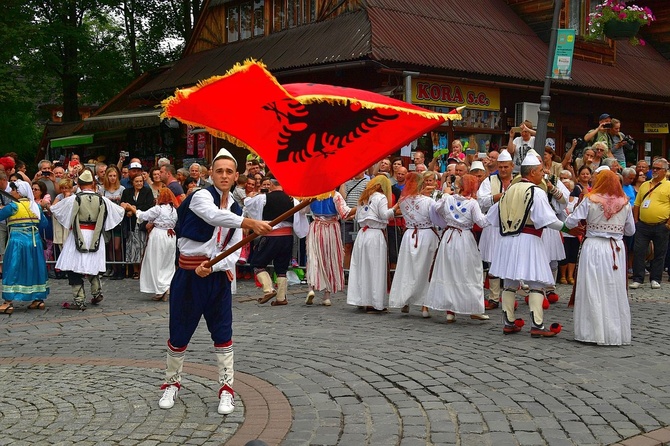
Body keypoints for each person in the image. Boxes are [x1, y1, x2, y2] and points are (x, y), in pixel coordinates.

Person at [157, 148, 272, 414]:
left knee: (223, 332)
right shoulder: (200, 197)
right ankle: (171, 384)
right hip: (188, 277)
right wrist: (250, 222)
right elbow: (212, 217)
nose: (223, 175)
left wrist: (215, 265)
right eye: (218, 171)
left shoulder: (235, 206)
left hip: (217, 278)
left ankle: (226, 390)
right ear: (211, 173)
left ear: (236, 176)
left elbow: (234, 249)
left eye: (228, 172)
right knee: (179, 331)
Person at [488, 151, 577, 337]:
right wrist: (569, 229)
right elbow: (547, 219)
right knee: (536, 282)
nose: (542, 175)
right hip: (529, 239)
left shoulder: (508, 191)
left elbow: (491, 218)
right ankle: (537, 326)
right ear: (533, 172)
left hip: (506, 241)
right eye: (540, 172)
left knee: (510, 282)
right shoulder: (535, 191)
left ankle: (508, 322)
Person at [564, 170, 634, 345]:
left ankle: (591, 333)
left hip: (594, 246)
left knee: (592, 286)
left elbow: (570, 222)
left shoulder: (590, 199)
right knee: (613, 288)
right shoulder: (625, 203)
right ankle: (614, 333)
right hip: (615, 250)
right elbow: (631, 231)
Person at [51, 170, 125, 310]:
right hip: (95, 235)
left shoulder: (74, 198)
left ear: (78, 184)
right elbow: (119, 212)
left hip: (78, 234)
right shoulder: (102, 199)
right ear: (92, 183)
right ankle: (97, 292)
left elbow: (56, 210)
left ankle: (79, 300)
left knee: (72, 266)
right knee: (92, 263)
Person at [425, 174, 490, 322]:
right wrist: (493, 215)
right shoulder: (472, 203)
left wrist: (448, 219)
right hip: (465, 239)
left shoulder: (448, 198)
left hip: (449, 238)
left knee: (449, 272)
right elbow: (481, 222)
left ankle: (450, 311)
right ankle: (474, 308)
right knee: (470, 272)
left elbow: (436, 208)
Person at [246, 178, 306, 306]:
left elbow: (248, 204)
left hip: (271, 236)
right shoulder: (293, 200)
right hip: (287, 237)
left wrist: (250, 196)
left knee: (257, 264)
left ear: (272, 185)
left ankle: (268, 289)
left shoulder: (264, 198)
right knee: (281, 267)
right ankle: (281, 297)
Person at [388, 173, 440, 317]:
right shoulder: (428, 201)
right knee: (426, 269)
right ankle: (425, 306)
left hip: (409, 235)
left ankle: (405, 301)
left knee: (408, 268)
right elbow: (436, 219)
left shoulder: (403, 201)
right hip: (426, 235)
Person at [346, 175, 398, 313]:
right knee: (375, 268)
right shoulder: (380, 197)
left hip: (363, 234)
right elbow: (384, 215)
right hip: (374, 234)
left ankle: (361, 299)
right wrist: (395, 208)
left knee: (362, 267)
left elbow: (357, 216)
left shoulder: (363, 198)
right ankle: (374, 302)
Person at [0, 180, 49, 314]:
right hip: (34, 241)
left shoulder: (13, 206)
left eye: (14, 190)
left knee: (12, 267)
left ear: (19, 192)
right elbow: (44, 224)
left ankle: (8, 301)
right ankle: (38, 298)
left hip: (18, 241)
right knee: (35, 268)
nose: (11, 192)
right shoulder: (36, 206)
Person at [123, 188, 179, 301]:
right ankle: (166, 286)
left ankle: (161, 288)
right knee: (167, 262)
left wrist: (132, 209)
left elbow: (143, 215)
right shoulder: (173, 210)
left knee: (156, 261)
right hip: (171, 236)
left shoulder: (158, 209)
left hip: (159, 236)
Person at [478, 149, 514, 310]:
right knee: (492, 261)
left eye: (506, 167)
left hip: (513, 225)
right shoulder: (489, 180)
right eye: (501, 167)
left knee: (510, 262)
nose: (504, 170)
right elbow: (481, 201)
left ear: (512, 166)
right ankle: (493, 297)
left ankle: (509, 296)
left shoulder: (518, 181)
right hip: (493, 226)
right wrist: (496, 197)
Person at [304, 191, 353, 306]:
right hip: (331, 228)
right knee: (330, 259)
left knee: (313, 257)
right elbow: (344, 213)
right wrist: (360, 206)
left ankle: (311, 288)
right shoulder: (335, 195)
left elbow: (303, 210)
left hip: (316, 227)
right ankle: (327, 296)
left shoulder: (312, 194)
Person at [630, 158, 670, 290]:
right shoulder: (645, 185)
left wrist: (668, 224)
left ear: (665, 170)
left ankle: (655, 278)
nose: (655, 170)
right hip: (643, 225)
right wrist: (636, 221)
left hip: (661, 224)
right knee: (639, 251)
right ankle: (638, 278)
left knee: (659, 253)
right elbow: (637, 204)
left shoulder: (668, 185)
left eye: (658, 168)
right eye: (654, 168)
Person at [121, 174, 155, 279]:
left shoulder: (147, 191)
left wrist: (133, 209)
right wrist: (129, 209)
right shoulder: (127, 192)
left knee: (142, 245)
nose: (139, 183)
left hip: (142, 223)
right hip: (130, 223)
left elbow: (149, 205)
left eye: (141, 181)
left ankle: (143, 270)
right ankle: (135, 270)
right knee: (132, 246)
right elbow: (123, 204)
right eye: (137, 181)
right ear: (132, 182)